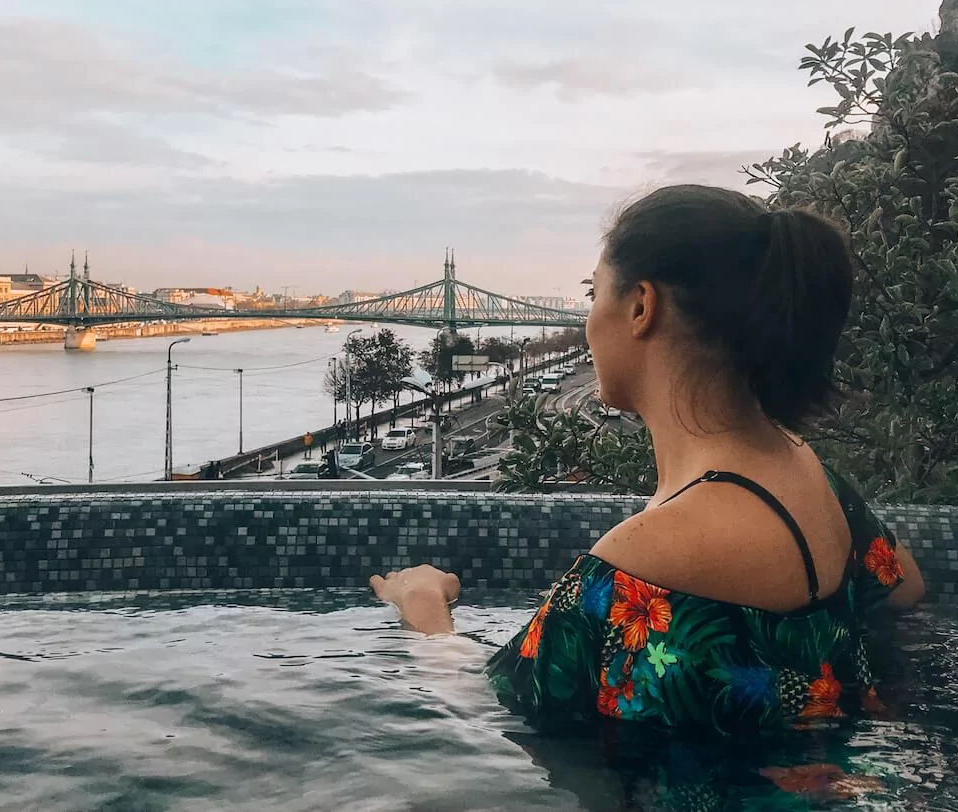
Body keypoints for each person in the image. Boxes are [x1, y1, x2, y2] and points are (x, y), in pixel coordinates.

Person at [372, 185, 924, 738]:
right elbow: (905, 588)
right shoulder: (813, 476)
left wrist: (423, 608)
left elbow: (480, 706)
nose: (589, 319)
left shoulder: (637, 566)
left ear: (640, 306)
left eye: (594, 293)